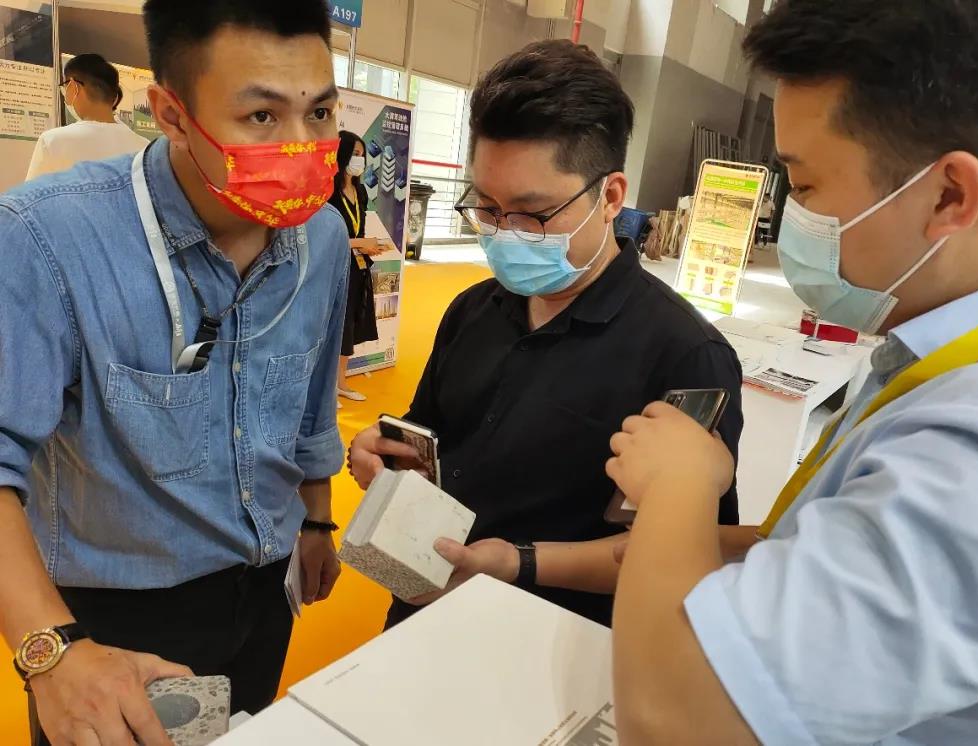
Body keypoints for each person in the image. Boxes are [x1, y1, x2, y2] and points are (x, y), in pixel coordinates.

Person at [606, 1, 978, 744]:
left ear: (949, 196)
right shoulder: (974, 352)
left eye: (805, 187)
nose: (798, 217)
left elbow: (679, 718)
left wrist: (679, 484)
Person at [0, 2, 349, 744]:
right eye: (261, 116)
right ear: (171, 113)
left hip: (267, 587)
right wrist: (51, 653)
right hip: (116, 619)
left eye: (320, 112)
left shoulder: (321, 238)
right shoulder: (46, 240)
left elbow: (313, 402)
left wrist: (317, 518)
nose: (301, 145)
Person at [348, 39, 743, 629]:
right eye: (487, 207)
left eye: (533, 214)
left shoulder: (686, 356)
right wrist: (384, 458)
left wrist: (519, 564)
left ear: (610, 197)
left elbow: (687, 552)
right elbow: (429, 439)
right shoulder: (472, 310)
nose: (505, 232)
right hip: (426, 608)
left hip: (557, 641)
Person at [329, 130, 387, 404]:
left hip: (357, 267)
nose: (360, 160)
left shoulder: (360, 191)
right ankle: (325, 389)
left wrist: (367, 246)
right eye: (355, 154)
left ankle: (341, 382)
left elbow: (358, 230)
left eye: (362, 155)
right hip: (333, 268)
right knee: (333, 326)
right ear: (341, 153)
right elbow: (325, 236)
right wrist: (359, 243)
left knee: (350, 325)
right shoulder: (327, 191)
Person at [25, 54, 147, 181]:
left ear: (73, 87)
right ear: (115, 96)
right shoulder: (144, 147)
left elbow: (32, 193)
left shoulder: (53, 141)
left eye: (65, 87)